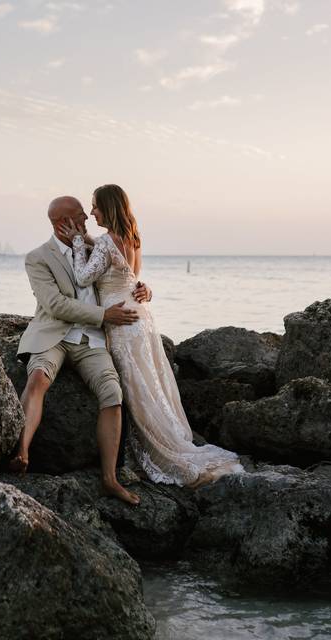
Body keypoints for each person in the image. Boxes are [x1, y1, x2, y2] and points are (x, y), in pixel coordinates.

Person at [57, 184, 244, 488]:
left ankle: (160, 453)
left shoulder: (105, 243)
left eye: (95, 207)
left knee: (138, 392)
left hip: (122, 323)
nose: (92, 212)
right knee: (151, 386)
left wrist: (78, 242)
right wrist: (90, 242)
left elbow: (83, 276)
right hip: (141, 320)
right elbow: (127, 274)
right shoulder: (132, 238)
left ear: (109, 207)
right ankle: (170, 440)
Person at [12, 195, 152, 505]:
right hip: (54, 333)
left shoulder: (95, 247)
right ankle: (21, 451)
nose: (87, 219)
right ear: (62, 223)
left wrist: (143, 290)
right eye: (79, 216)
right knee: (37, 378)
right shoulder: (38, 257)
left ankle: (110, 479)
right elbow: (55, 305)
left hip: (92, 339)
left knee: (112, 393)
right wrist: (105, 315)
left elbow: (125, 276)